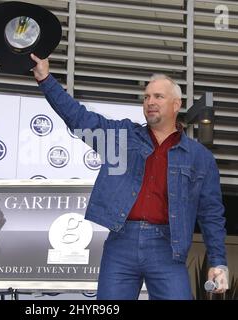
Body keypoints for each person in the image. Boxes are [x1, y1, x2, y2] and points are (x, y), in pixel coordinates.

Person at [30, 53, 228, 300]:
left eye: (158, 96)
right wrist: (45, 79)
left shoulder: (199, 157)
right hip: (121, 242)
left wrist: (218, 262)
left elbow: (211, 214)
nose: (150, 102)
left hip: (168, 247)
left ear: (176, 104)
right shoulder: (122, 137)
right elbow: (79, 118)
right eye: (146, 97)